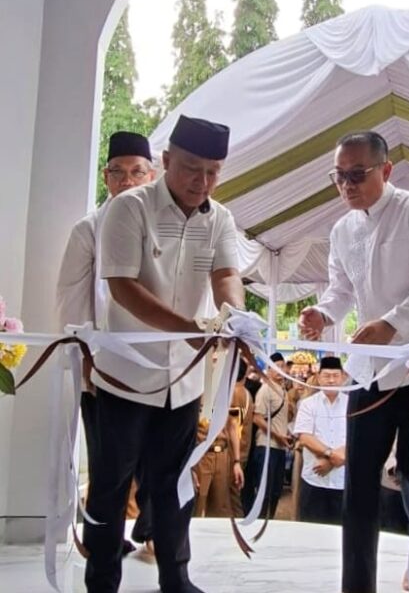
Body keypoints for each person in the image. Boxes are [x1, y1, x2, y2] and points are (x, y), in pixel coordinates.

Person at [84, 115, 245, 593]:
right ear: (167, 160)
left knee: (176, 484)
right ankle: (101, 582)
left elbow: (226, 276)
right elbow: (122, 287)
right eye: (192, 168)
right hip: (127, 378)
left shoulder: (221, 218)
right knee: (112, 486)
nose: (202, 181)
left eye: (213, 172)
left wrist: (235, 317)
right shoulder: (129, 208)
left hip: (184, 382)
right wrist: (189, 329)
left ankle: (177, 579)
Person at [299, 131, 409, 593]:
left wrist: (391, 324)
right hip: (369, 369)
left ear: (386, 170)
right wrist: (322, 313)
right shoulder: (341, 230)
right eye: (339, 176)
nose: (346, 185)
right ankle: (357, 585)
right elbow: (341, 291)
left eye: (356, 174)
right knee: (359, 482)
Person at [56, 131, 156, 554]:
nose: (128, 181)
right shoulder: (88, 230)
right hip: (104, 367)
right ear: (106, 177)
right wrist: (85, 361)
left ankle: (152, 534)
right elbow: (72, 300)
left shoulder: (163, 227)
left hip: (155, 367)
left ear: (152, 176)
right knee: (108, 464)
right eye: (119, 173)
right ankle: (103, 543)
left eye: (137, 172)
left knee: (157, 459)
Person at [192, 358, 251, 517]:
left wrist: (236, 462)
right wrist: (189, 465)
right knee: (198, 506)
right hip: (201, 455)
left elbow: (232, 426)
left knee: (221, 508)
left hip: (223, 455)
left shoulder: (227, 391)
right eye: (213, 359)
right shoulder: (194, 390)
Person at [293, 356, 347, 525]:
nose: (331, 380)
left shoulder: (352, 404)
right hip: (314, 479)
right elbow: (304, 436)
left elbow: (358, 437)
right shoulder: (308, 404)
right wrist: (331, 454)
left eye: (335, 376)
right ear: (318, 377)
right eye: (326, 376)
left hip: (342, 480)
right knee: (312, 529)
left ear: (343, 377)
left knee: (341, 532)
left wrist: (333, 462)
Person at [251, 352, 293, 518]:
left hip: (280, 448)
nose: (280, 370)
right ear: (268, 370)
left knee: (276, 490)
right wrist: (277, 436)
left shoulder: (283, 391)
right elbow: (257, 418)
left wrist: (286, 434)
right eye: (276, 367)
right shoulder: (265, 390)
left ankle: (272, 520)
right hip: (266, 446)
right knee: (264, 490)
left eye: (282, 366)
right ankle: (260, 521)